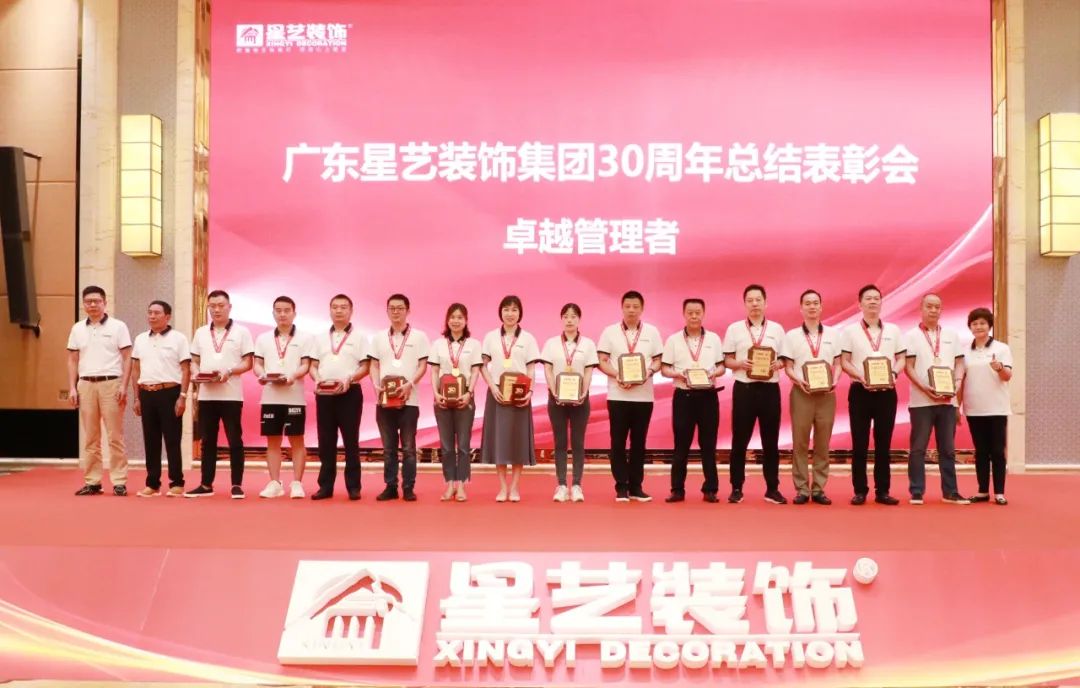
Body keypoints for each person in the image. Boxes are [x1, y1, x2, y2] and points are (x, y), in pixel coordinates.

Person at [838, 284, 905, 505]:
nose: (873, 301)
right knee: (860, 442)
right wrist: (860, 376)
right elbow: (844, 361)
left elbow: (901, 359)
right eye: (868, 298)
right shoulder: (849, 331)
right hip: (860, 391)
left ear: (881, 302)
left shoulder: (894, 330)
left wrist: (893, 373)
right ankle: (860, 490)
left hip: (887, 392)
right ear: (860, 304)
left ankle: (882, 491)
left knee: (883, 444)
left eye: (877, 298)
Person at [186, 289, 254, 499]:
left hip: (231, 395)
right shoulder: (201, 332)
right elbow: (194, 361)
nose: (216, 310)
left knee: (235, 439)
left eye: (221, 306)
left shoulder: (242, 332)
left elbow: (248, 362)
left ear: (229, 307)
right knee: (207, 441)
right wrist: (195, 372)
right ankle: (206, 484)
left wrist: (230, 372)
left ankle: (236, 484)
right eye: (212, 306)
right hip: (206, 395)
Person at [723, 284, 788, 504]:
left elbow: (785, 358)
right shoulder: (734, 329)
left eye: (758, 300)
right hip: (745, 389)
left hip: (769, 390)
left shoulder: (777, 329)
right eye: (750, 300)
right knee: (739, 441)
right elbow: (727, 360)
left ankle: (772, 488)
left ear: (765, 303)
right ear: (744, 304)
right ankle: (736, 487)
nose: (754, 304)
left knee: (771, 441)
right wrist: (740, 363)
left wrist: (777, 364)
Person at [597, 291, 663, 503]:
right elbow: (602, 360)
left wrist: (648, 373)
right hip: (618, 395)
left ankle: (636, 486)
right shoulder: (609, 332)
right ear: (622, 308)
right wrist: (618, 375)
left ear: (642, 309)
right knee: (617, 442)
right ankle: (621, 486)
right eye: (628, 306)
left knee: (639, 443)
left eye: (635, 306)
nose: (631, 310)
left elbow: (658, 360)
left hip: (644, 397)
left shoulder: (652, 332)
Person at [903, 293, 970, 505]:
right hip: (921, 401)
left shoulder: (951, 334)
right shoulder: (911, 336)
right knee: (918, 448)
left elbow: (959, 363)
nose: (933, 310)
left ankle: (950, 491)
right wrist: (924, 387)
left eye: (937, 307)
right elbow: (908, 367)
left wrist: (957, 383)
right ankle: (916, 491)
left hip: (947, 401)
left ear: (941, 310)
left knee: (947, 449)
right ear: (921, 309)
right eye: (929, 306)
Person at [66, 286, 132, 496]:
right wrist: (72, 387)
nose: (92, 305)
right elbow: (72, 359)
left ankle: (119, 481)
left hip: (111, 383)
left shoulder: (118, 326)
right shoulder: (77, 328)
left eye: (97, 301)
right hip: (85, 384)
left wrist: (124, 385)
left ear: (105, 302)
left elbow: (127, 358)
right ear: (83, 304)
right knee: (91, 437)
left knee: (115, 436)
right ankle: (93, 481)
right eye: (88, 301)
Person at [660, 298, 725, 503]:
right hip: (684, 397)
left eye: (698, 312)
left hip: (708, 397)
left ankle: (710, 489)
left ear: (703, 313)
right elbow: (664, 368)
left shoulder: (714, 339)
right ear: (684, 314)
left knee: (708, 445)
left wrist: (713, 373)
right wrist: (679, 374)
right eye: (690, 312)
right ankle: (677, 489)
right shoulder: (673, 340)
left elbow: (722, 366)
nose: (694, 316)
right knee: (681, 445)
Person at [780, 290, 841, 505]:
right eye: (807, 303)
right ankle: (802, 489)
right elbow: (788, 367)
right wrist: (799, 381)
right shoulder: (791, 336)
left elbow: (838, 363)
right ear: (801, 308)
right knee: (800, 442)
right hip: (801, 394)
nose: (812, 306)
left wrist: (836, 380)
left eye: (815, 303)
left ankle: (818, 489)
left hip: (827, 394)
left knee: (823, 443)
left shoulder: (834, 334)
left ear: (821, 307)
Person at [480, 295, 541, 502]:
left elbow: (531, 369)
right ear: (500, 312)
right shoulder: (490, 337)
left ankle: (515, 487)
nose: (510, 313)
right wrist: (492, 386)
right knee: (499, 440)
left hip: (520, 395)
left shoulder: (528, 339)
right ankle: (502, 487)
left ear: (520, 313)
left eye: (514, 310)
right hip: (497, 394)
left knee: (517, 441)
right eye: (506, 309)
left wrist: (530, 392)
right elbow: (482, 365)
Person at [370, 293, 430, 502]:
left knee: (409, 448)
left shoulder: (419, 337)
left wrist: (410, 384)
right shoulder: (378, 338)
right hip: (384, 401)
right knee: (388, 449)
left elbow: (423, 366)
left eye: (400, 308)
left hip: (409, 400)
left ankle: (408, 487)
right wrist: (376, 385)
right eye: (392, 308)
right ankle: (390, 486)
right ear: (387, 311)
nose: (396, 312)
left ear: (408, 310)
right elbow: (374, 365)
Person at [310, 294, 370, 501]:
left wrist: (350, 378)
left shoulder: (360, 337)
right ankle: (325, 486)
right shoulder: (319, 338)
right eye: (335, 307)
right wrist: (317, 379)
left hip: (349, 393)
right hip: (324, 393)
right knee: (325, 441)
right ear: (329, 310)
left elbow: (365, 366)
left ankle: (353, 486)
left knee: (351, 441)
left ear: (351, 311)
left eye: (343, 307)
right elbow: (313, 366)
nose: (338, 311)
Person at [253, 296, 314, 499]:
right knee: (273, 441)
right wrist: (262, 375)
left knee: (297, 440)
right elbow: (257, 364)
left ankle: (297, 483)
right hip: (270, 398)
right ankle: (274, 483)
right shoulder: (263, 338)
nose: (282, 314)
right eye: (278, 310)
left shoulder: (305, 338)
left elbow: (306, 365)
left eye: (287, 310)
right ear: (273, 314)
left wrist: (293, 376)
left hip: (294, 398)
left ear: (294, 313)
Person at [130, 300, 191, 497]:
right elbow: (136, 369)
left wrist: (182, 397)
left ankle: (177, 482)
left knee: (172, 439)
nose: (152, 316)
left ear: (168, 316)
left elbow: (186, 369)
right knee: (151, 440)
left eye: (157, 313)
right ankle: (152, 483)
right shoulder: (140, 339)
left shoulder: (179, 339)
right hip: (146, 393)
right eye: (150, 312)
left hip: (170, 393)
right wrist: (137, 397)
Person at [541, 303, 598, 503]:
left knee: (578, 442)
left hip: (580, 400)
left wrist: (584, 392)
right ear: (561, 319)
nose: (569, 320)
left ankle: (577, 485)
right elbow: (548, 369)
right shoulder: (551, 344)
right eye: (566, 316)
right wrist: (553, 391)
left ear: (579, 319)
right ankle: (561, 485)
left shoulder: (588, 344)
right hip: (556, 399)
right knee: (560, 442)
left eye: (573, 316)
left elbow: (589, 371)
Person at [429, 303, 482, 502]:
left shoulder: (474, 345)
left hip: (464, 400)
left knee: (464, 446)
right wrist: (436, 394)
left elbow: (475, 371)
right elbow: (434, 371)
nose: (456, 321)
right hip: (442, 400)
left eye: (460, 317)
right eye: (452, 317)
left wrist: (469, 393)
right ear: (447, 320)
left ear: (466, 320)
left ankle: (461, 485)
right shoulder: (438, 344)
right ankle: (449, 484)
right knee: (446, 446)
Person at [959, 307, 1013, 505]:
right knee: (980, 451)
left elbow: (1007, 376)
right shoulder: (965, 352)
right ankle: (982, 491)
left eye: (982, 323)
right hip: (974, 408)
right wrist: (957, 406)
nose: (978, 327)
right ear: (970, 327)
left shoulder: (1002, 348)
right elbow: (961, 381)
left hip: (997, 408)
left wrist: (999, 368)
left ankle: (999, 492)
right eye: (974, 324)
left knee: (997, 451)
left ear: (989, 326)